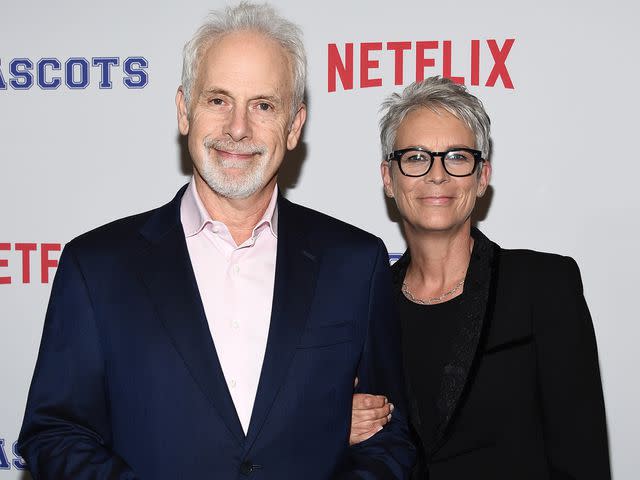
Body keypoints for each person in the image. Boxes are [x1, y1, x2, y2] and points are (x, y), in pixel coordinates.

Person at [17, 3, 415, 479]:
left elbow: (391, 443)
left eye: (263, 105)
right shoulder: (96, 267)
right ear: (185, 110)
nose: (238, 128)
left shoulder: (355, 263)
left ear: (294, 126)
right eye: (218, 100)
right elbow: (55, 433)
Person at [349, 76, 611, 479]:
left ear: (482, 175)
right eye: (416, 157)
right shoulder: (364, 306)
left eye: (456, 156)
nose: (437, 175)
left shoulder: (544, 288)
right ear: (389, 177)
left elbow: (582, 461)